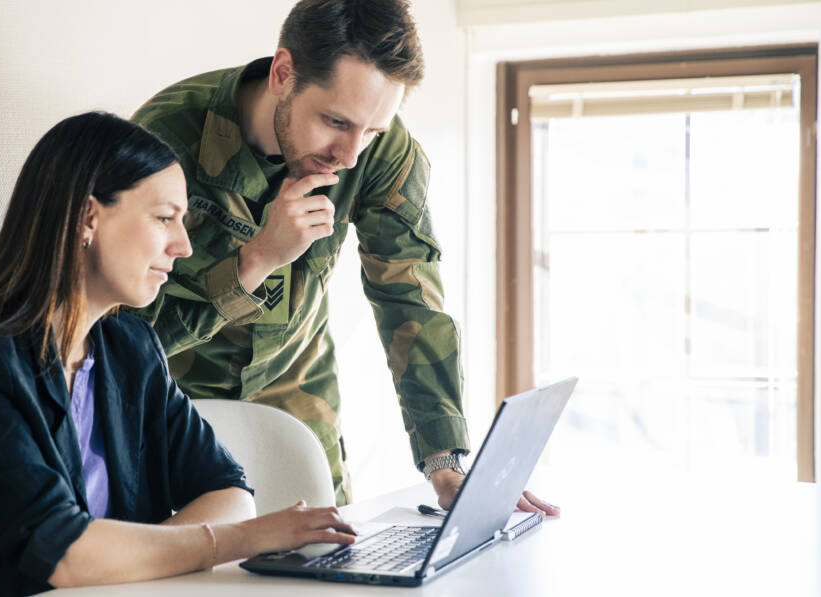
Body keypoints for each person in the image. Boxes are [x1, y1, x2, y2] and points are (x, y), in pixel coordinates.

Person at [0, 112, 357, 596]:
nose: (182, 246)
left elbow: (227, 489)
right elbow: (62, 553)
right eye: (164, 218)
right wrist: (239, 541)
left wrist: (136, 564)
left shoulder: (129, 346)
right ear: (87, 217)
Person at [131, 0, 558, 515]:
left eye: (372, 131)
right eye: (336, 121)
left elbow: (410, 297)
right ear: (283, 73)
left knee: (325, 567)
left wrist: (445, 462)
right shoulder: (163, 139)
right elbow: (120, 338)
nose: (351, 155)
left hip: (295, 387)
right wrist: (259, 259)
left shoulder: (380, 151)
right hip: (166, 394)